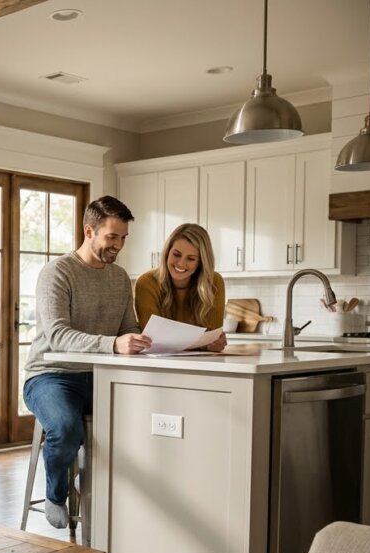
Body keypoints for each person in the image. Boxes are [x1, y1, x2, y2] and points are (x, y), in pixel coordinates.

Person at [22, 195, 150, 529]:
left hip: (100, 376)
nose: (118, 245)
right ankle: (57, 493)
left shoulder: (120, 278)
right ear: (88, 230)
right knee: (65, 427)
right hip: (50, 376)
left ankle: (109, 494)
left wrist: (139, 340)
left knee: (144, 423)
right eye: (112, 236)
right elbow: (58, 336)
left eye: (123, 238)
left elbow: (128, 328)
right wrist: (114, 344)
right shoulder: (57, 273)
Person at [134, 223, 226, 352]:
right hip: (159, 363)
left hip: (201, 364)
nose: (181, 263)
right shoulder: (147, 283)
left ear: (201, 263)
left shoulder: (214, 282)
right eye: (176, 255)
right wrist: (201, 343)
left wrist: (216, 343)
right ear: (167, 253)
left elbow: (213, 336)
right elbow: (152, 340)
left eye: (191, 259)